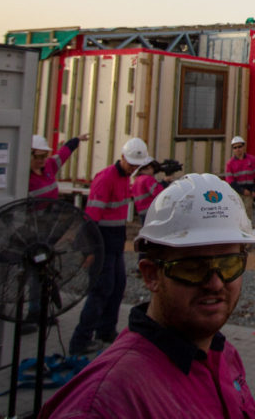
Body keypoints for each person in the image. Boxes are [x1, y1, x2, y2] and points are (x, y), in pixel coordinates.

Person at [40, 174, 255, 418]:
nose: (216, 283)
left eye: (230, 264)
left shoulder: (224, 356)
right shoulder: (106, 403)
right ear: (151, 275)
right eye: (193, 267)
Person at [68, 137, 153, 355]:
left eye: (137, 166)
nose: (134, 169)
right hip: (100, 242)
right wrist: (89, 250)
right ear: (122, 157)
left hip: (115, 242)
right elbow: (90, 218)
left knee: (116, 288)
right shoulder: (106, 179)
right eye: (131, 164)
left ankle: (105, 331)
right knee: (100, 290)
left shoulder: (125, 178)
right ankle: (81, 339)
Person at [28, 133, 89, 199]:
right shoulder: (25, 178)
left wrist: (77, 139)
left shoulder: (49, 166)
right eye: (39, 156)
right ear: (29, 155)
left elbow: (63, 153)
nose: (43, 159)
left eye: (45, 155)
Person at [225, 136, 255, 217]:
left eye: (239, 146)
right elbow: (230, 180)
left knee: (247, 213)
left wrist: (254, 190)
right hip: (236, 192)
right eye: (235, 147)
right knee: (236, 213)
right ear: (233, 149)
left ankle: (247, 229)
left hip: (249, 192)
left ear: (243, 147)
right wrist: (241, 190)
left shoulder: (252, 160)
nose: (238, 149)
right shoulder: (230, 164)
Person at [131, 160, 165, 225]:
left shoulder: (137, 180)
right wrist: (165, 183)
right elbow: (159, 193)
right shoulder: (148, 179)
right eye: (151, 168)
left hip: (141, 211)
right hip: (151, 210)